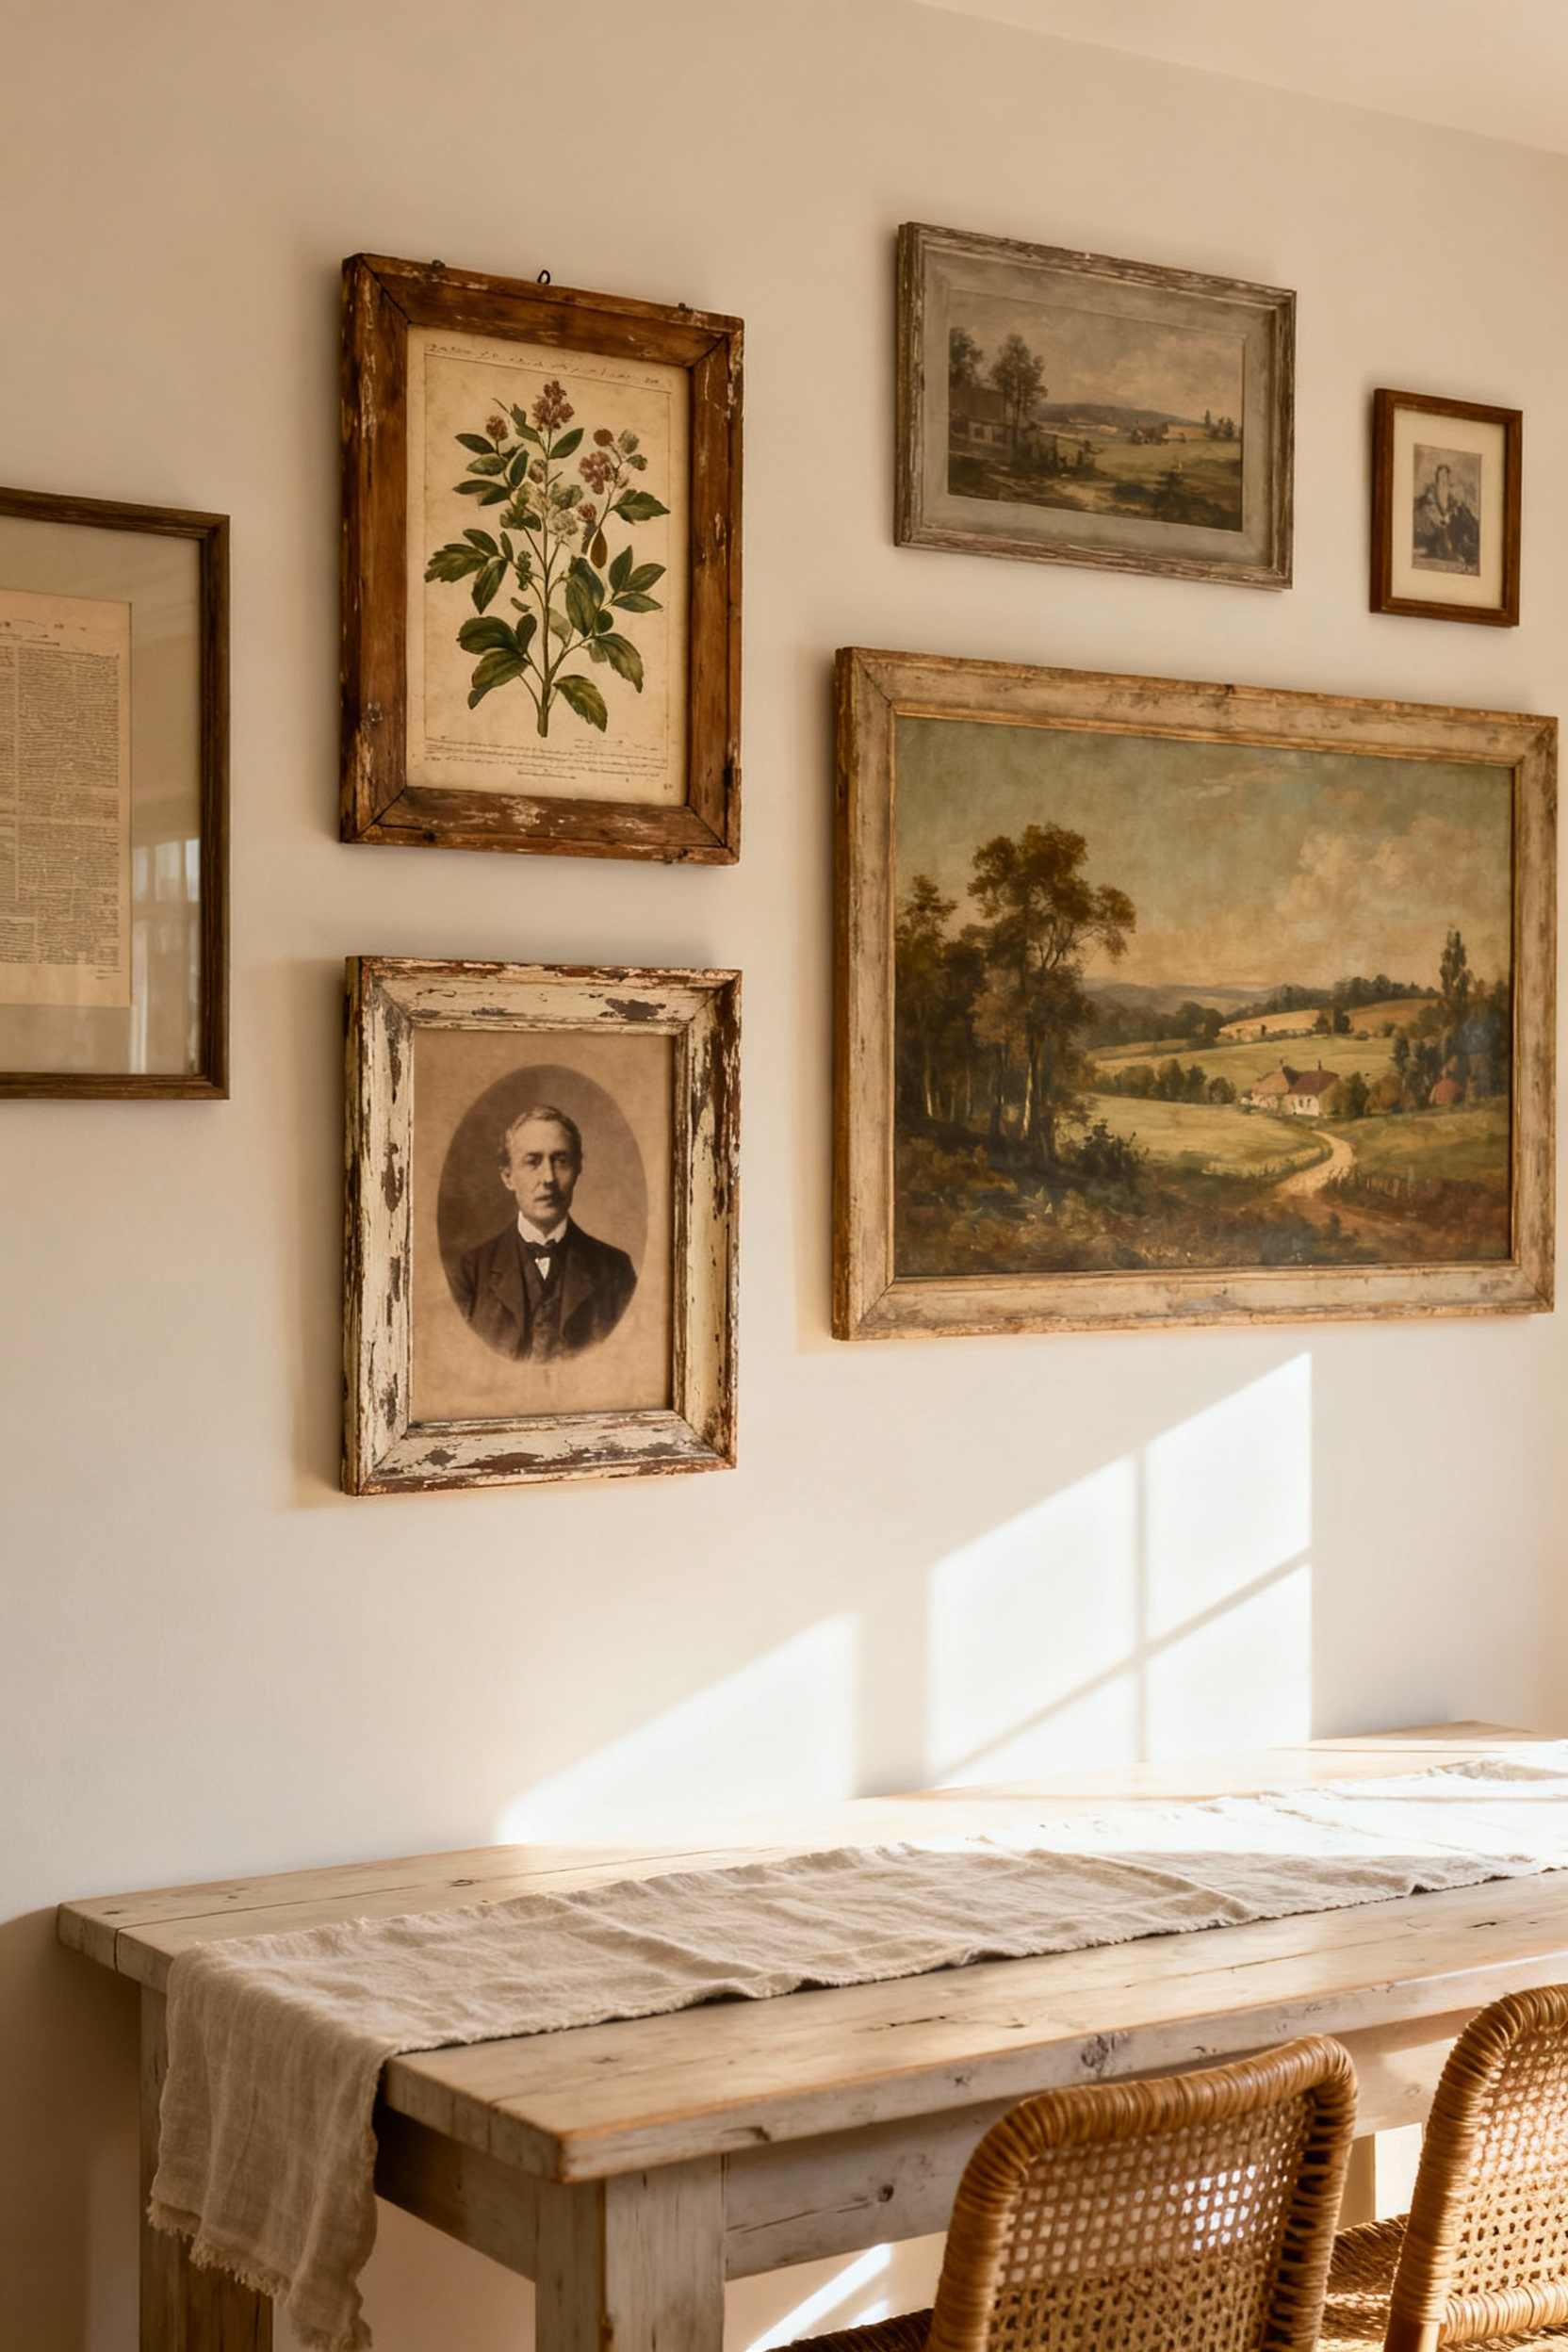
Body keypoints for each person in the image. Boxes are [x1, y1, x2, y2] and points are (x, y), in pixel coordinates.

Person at [454, 1105, 636, 1361]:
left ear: (578, 1170)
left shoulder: (616, 1271)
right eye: (533, 1161)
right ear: (508, 1177)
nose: (549, 1177)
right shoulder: (471, 1272)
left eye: (561, 1161)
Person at [1413, 460, 1479, 573]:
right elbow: (1430, 510)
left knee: (1464, 516)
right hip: (1435, 528)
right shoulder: (1431, 494)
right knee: (1449, 538)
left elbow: (1454, 507)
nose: (1443, 479)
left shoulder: (1451, 494)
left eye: (1445, 477)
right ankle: (1455, 551)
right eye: (1441, 476)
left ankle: (1470, 548)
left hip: (1448, 526)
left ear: (1448, 478)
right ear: (1437, 478)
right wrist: (1442, 519)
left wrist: (1452, 513)